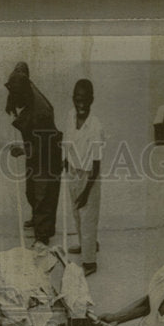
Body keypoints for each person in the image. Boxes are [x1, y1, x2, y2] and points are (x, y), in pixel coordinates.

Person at [5, 65, 63, 246]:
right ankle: (39, 220)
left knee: (43, 195)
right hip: (35, 148)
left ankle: (43, 236)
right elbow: (21, 67)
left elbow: (45, 147)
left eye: (15, 94)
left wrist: (22, 150)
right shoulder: (24, 89)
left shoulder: (41, 112)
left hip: (47, 155)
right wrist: (11, 102)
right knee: (31, 190)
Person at [63, 79, 105, 276]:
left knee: (88, 218)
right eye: (77, 99)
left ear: (92, 100)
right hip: (73, 170)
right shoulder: (71, 116)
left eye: (85, 100)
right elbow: (67, 142)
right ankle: (86, 244)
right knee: (77, 213)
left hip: (89, 177)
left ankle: (90, 262)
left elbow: (96, 165)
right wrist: (66, 163)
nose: (81, 104)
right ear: (73, 99)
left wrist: (87, 191)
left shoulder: (95, 127)